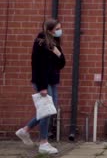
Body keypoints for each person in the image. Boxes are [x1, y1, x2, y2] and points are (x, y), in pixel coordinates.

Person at [15, 19, 66, 154]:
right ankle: (43, 142)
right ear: (49, 30)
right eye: (57, 29)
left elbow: (61, 64)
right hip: (43, 81)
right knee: (46, 110)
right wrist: (42, 87)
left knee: (48, 109)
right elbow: (37, 66)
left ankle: (25, 130)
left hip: (52, 80)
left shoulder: (54, 43)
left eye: (60, 28)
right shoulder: (40, 43)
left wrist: (58, 53)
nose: (60, 31)